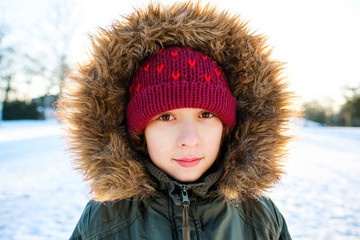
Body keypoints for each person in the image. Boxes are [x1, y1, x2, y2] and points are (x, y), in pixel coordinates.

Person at [57, 1, 298, 239]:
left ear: (227, 128)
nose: (189, 140)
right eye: (166, 116)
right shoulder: (103, 221)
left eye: (206, 114)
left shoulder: (261, 218)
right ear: (139, 133)